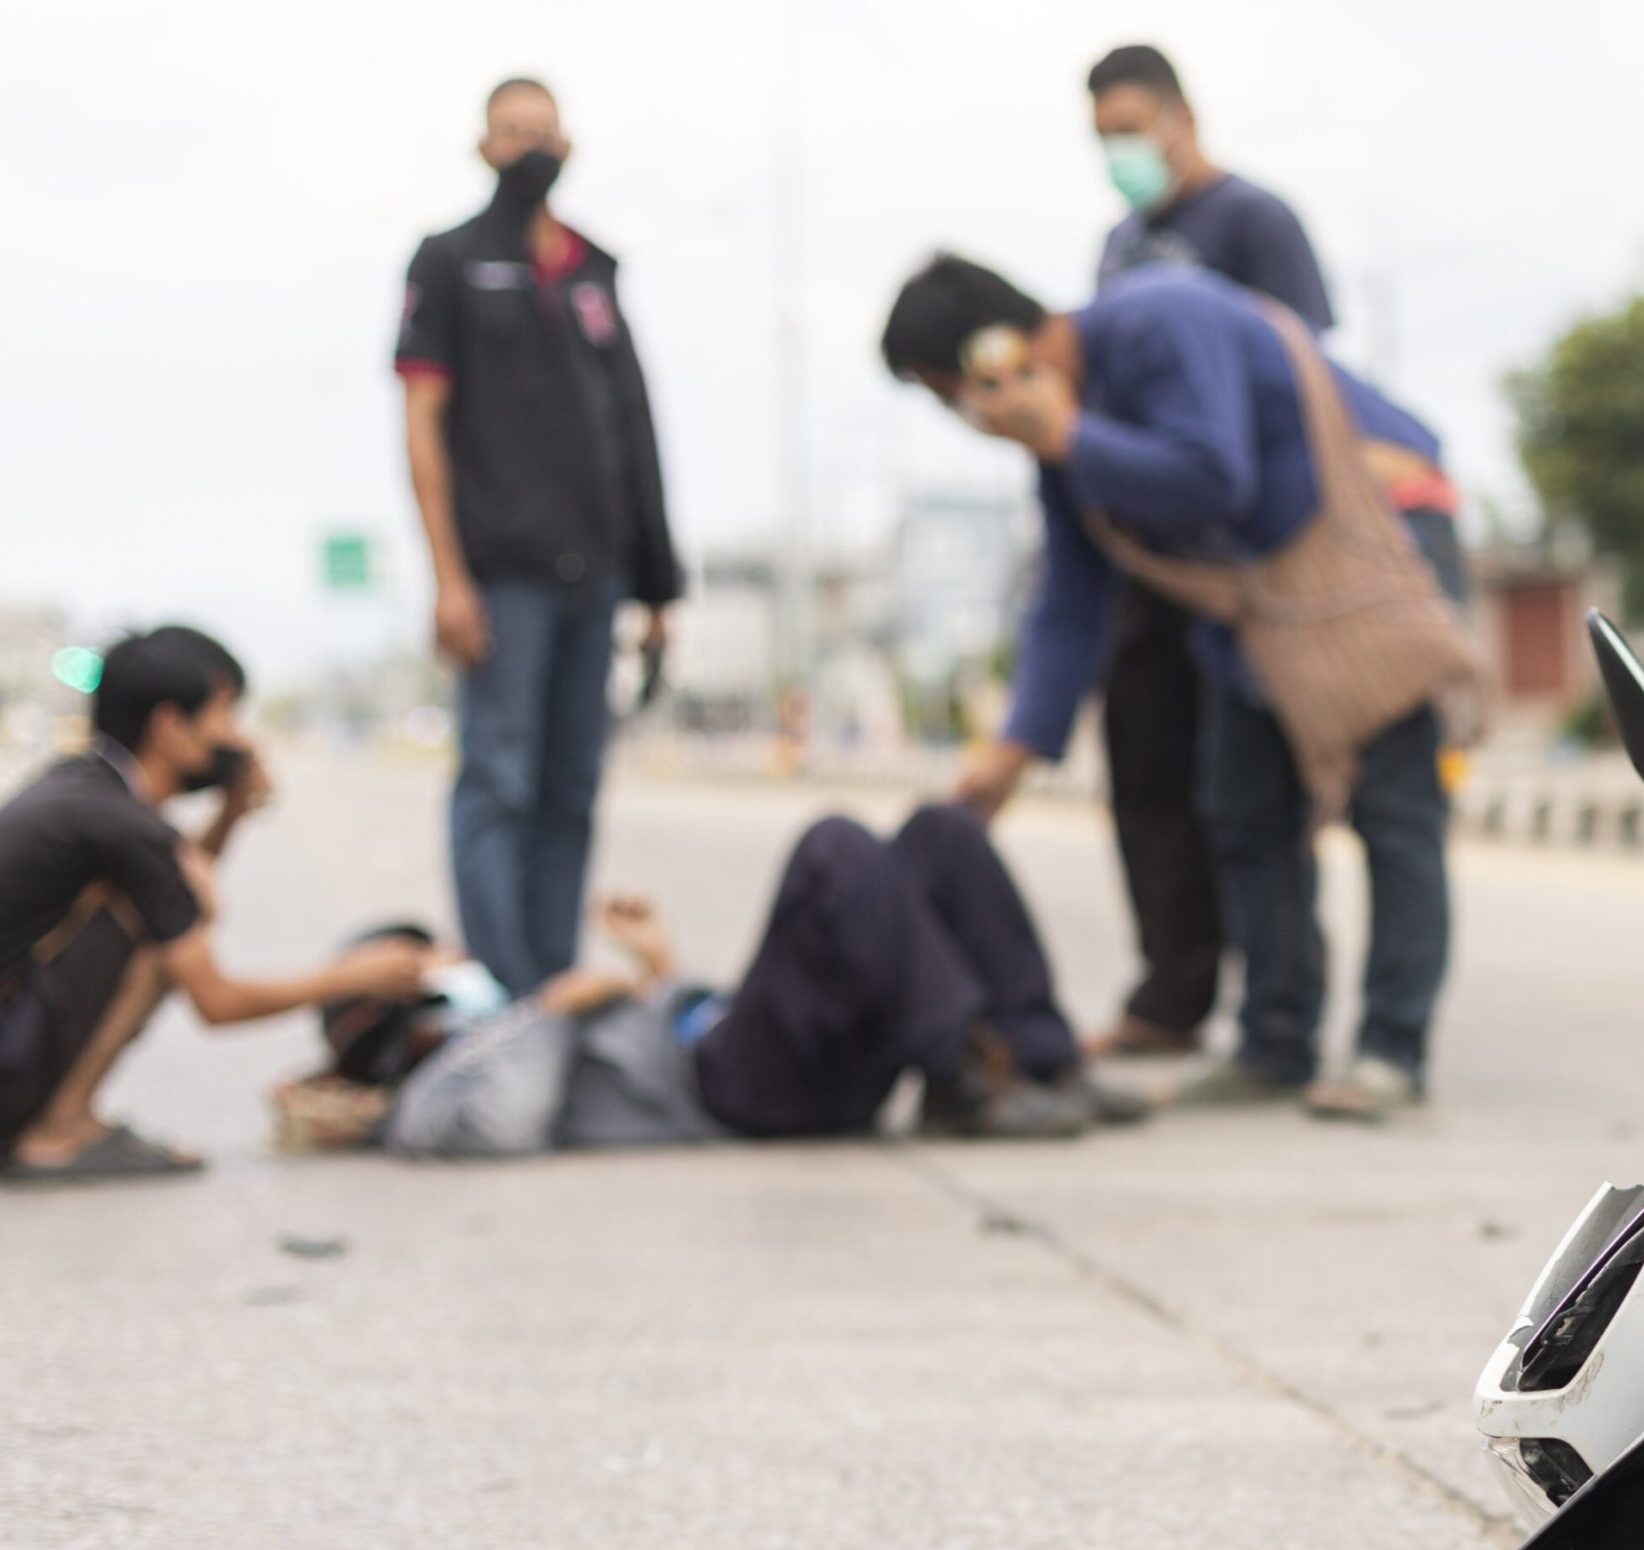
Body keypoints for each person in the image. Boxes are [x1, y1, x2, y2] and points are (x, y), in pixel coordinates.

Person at [881, 254, 1477, 1122]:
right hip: (1262, 598)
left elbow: (1214, 468)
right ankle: (1275, 1048)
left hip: (1371, 548)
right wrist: (1012, 754)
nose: (967, 415)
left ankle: (1392, 1050)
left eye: (950, 391)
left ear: (994, 348)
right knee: (1242, 809)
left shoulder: (1160, 319)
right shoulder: (1060, 435)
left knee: (1394, 808)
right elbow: (1071, 599)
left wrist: (1071, 439)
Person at [353, 804, 1142, 1159]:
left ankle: (1040, 1062)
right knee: (835, 849)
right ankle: (964, 1077)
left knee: (940, 832)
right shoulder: (437, 1081)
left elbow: (664, 1034)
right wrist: (549, 1013)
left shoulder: (496, 1027)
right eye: (417, 963)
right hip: (732, 1094)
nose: (444, 961)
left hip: (743, 1047)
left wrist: (659, 970)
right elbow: (504, 1127)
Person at [1081, 42, 1339, 1061]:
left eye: (1131, 128)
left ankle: (1278, 1008)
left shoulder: (1251, 219)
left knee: (1248, 794)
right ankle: (1172, 989)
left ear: (1180, 119)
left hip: (1243, 550)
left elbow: (1306, 371)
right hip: (1150, 552)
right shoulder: (1115, 244)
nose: (1119, 152)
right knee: (1144, 770)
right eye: (1101, 135)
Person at [397, 75, 682, 996]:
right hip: (501, 575)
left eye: (543, 132)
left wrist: (658, 581)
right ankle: (501, 991)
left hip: (594, 574)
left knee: (570, 790)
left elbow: (632, 425)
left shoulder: (596, 270)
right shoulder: (449, 261)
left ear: (571, 146)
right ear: (483, 148)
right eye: (511, 133)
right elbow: (422, 420)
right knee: (499, 779)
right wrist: (449, 575)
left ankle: (553, 984)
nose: (529, 148)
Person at [0, 627, 438, 1180]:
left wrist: (231, 814)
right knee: (170, 934)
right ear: (168, 726)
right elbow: (215, 1000)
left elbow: (176, 884)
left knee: (173, 908)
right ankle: (57, 1132)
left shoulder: (85, 787)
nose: (237, 739)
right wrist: (352, 976)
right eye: (226, 716)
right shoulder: (123, 826)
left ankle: (62, 1119)